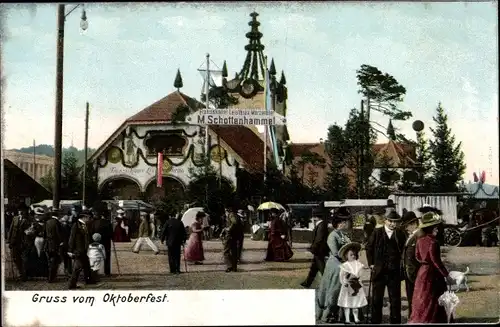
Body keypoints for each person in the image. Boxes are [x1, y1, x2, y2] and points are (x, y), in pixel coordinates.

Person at [409, 212, 454, 323]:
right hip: (432, 273)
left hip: (422, 272)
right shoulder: (433, 242)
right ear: (431, 228)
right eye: (435, 228)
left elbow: (417, 256)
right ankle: (433, 320)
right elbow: (436, 261)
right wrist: (446, 275)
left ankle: (421, 319)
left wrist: (424, 262)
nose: (437, 230)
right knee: (433, 298)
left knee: (422, 297)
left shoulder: (419, 240)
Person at [365, 210, 407, 324]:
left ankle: (395, 322)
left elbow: (405, 250)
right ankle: (375, 322)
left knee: (395, 300)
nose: (393, 224)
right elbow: (369, 247)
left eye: (396, 222)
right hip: (379, 272)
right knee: (376, 300)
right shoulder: (377, 232)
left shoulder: (400, 234)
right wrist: (371, 263)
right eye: (391, 221)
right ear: (386, 221)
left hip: (394, 273)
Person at [316, 207, 353, 323]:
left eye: (346, 221)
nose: (346, 224)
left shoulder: (344, 235)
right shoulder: (332, 236)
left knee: (344, 290)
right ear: (339, 223)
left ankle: (340, 315)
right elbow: (336, 252)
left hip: (345, 265)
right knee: (333, 291)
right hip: (336, 266)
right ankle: (328, 314)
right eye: (344, 222)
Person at [337, 242, 368, 324]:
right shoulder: (344, 265)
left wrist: (359, 281)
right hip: (347, 287)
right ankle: (347, 319)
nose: (353, 256)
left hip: (356, 286)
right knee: (347, 303)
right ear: (346, 256)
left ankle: (356, 318)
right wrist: (344, 282)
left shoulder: (358, 265)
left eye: (354, 255)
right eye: (351, 255)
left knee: (355, 303)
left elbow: (360, 275)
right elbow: (341, 276)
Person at [301, 212, 329, 288]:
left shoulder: (321, 225)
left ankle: (329, 283)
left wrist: (313, 249)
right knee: (314, 269)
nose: (312, 219)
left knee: (322, 269)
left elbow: (318, 239)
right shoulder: (321, 224)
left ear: (316, 217)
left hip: (319, 250)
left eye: (313, 217)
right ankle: (307, 283)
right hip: (319, 250)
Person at [401, 211, 420, 319]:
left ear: (414, 224)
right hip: (409, 273)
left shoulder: (419, 236)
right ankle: (412, 316)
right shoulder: (411, 236)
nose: (406, 228)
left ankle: (415, 318)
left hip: (416, 273)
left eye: (407, 226)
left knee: (416, 297)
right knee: (410, 297)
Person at [68, 210, 94, 289]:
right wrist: (70, 250)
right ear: (84, 217)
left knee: (86, 265)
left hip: (83, 250)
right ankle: (72, 285)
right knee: (77, 268)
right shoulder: (76, 225)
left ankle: (88, 280)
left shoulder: (85, 225)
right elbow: (71, 238)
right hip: (78, 250)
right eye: (89, 218)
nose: (90, 219)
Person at [7, 204, 32, 281]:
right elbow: (11, 230)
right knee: (16, 259)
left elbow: (32, 230)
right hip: (15, 242)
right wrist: (9, 241)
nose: (20, 212)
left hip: (24, 243)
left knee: (24, 260)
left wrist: (29, 233)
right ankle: (21, 273)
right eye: (19, 210)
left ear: (25, 211)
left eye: (22, 211)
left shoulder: (28, 219)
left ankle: (24, 276)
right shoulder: (15, 218)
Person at [91, 207, 113, 276]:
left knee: (96, 256)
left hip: (97, 242)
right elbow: (111, 233)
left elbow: (92, 232)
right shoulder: (108, 222)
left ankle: (95, 271)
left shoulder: (94, 223)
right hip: (106, 242)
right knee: (107, 257)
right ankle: (107, 272)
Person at [223, 207, 244, 272]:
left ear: (227, 210)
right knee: (234, 252)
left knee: (226, 251)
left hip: (230, 236)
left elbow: (234, 222)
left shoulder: (231, 214)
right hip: (235, 236)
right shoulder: (235, 214)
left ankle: (229, 266)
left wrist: (229, 228)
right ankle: (234, 267)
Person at [45, 208, 63, 283]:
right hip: (55, 244)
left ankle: (50, 277)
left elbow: (45, 233)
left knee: (50, 261)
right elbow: (58, 233)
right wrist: (61, 241)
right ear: (57, 215)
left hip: (48, 244)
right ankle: (52, 278)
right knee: (54, 261)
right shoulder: (57, 222)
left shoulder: (48, 222)